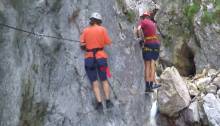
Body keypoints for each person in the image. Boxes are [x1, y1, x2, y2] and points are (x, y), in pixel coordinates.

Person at [80, 12, 114, 112]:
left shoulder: (85, 31)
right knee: (104, 79)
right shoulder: (102, 29)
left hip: (89, 59)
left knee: (94, 82)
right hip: (101, 58)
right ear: (99, 21)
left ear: (91, 20)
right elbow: (108, 42)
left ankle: (99, 103)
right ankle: (108, 101)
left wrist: (88, 44)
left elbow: (82, 45)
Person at [137, 11, 161, 93]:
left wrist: (140, 38)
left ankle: (147, 86)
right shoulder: (153, 23)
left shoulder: (143, 22)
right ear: (149, 16)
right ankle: (152, 84)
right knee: (153, 63)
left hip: (148, 43)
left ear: (143, 17)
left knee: (147, 64)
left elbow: (139, 29)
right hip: (156, 44)